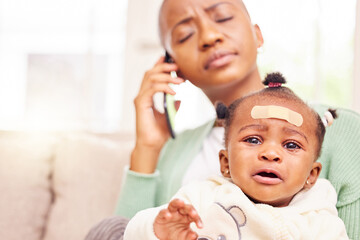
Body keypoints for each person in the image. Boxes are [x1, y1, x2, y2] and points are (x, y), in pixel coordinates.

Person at [85, 0, 360, 239]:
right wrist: (147, 147)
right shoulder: (174, 152)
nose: (209, 36)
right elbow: (127, 234)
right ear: (173, 64)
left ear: (257, 36)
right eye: (185, 34)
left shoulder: (342, 130)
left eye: (223, 18)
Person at [123, 73, 349, 240]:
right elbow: (132, 232)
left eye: (291, 144)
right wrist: (157, 229)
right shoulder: (203, 196)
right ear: (225, 163)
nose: (270, 153)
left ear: (312, 174)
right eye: (253, 140)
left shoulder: (321, 222)